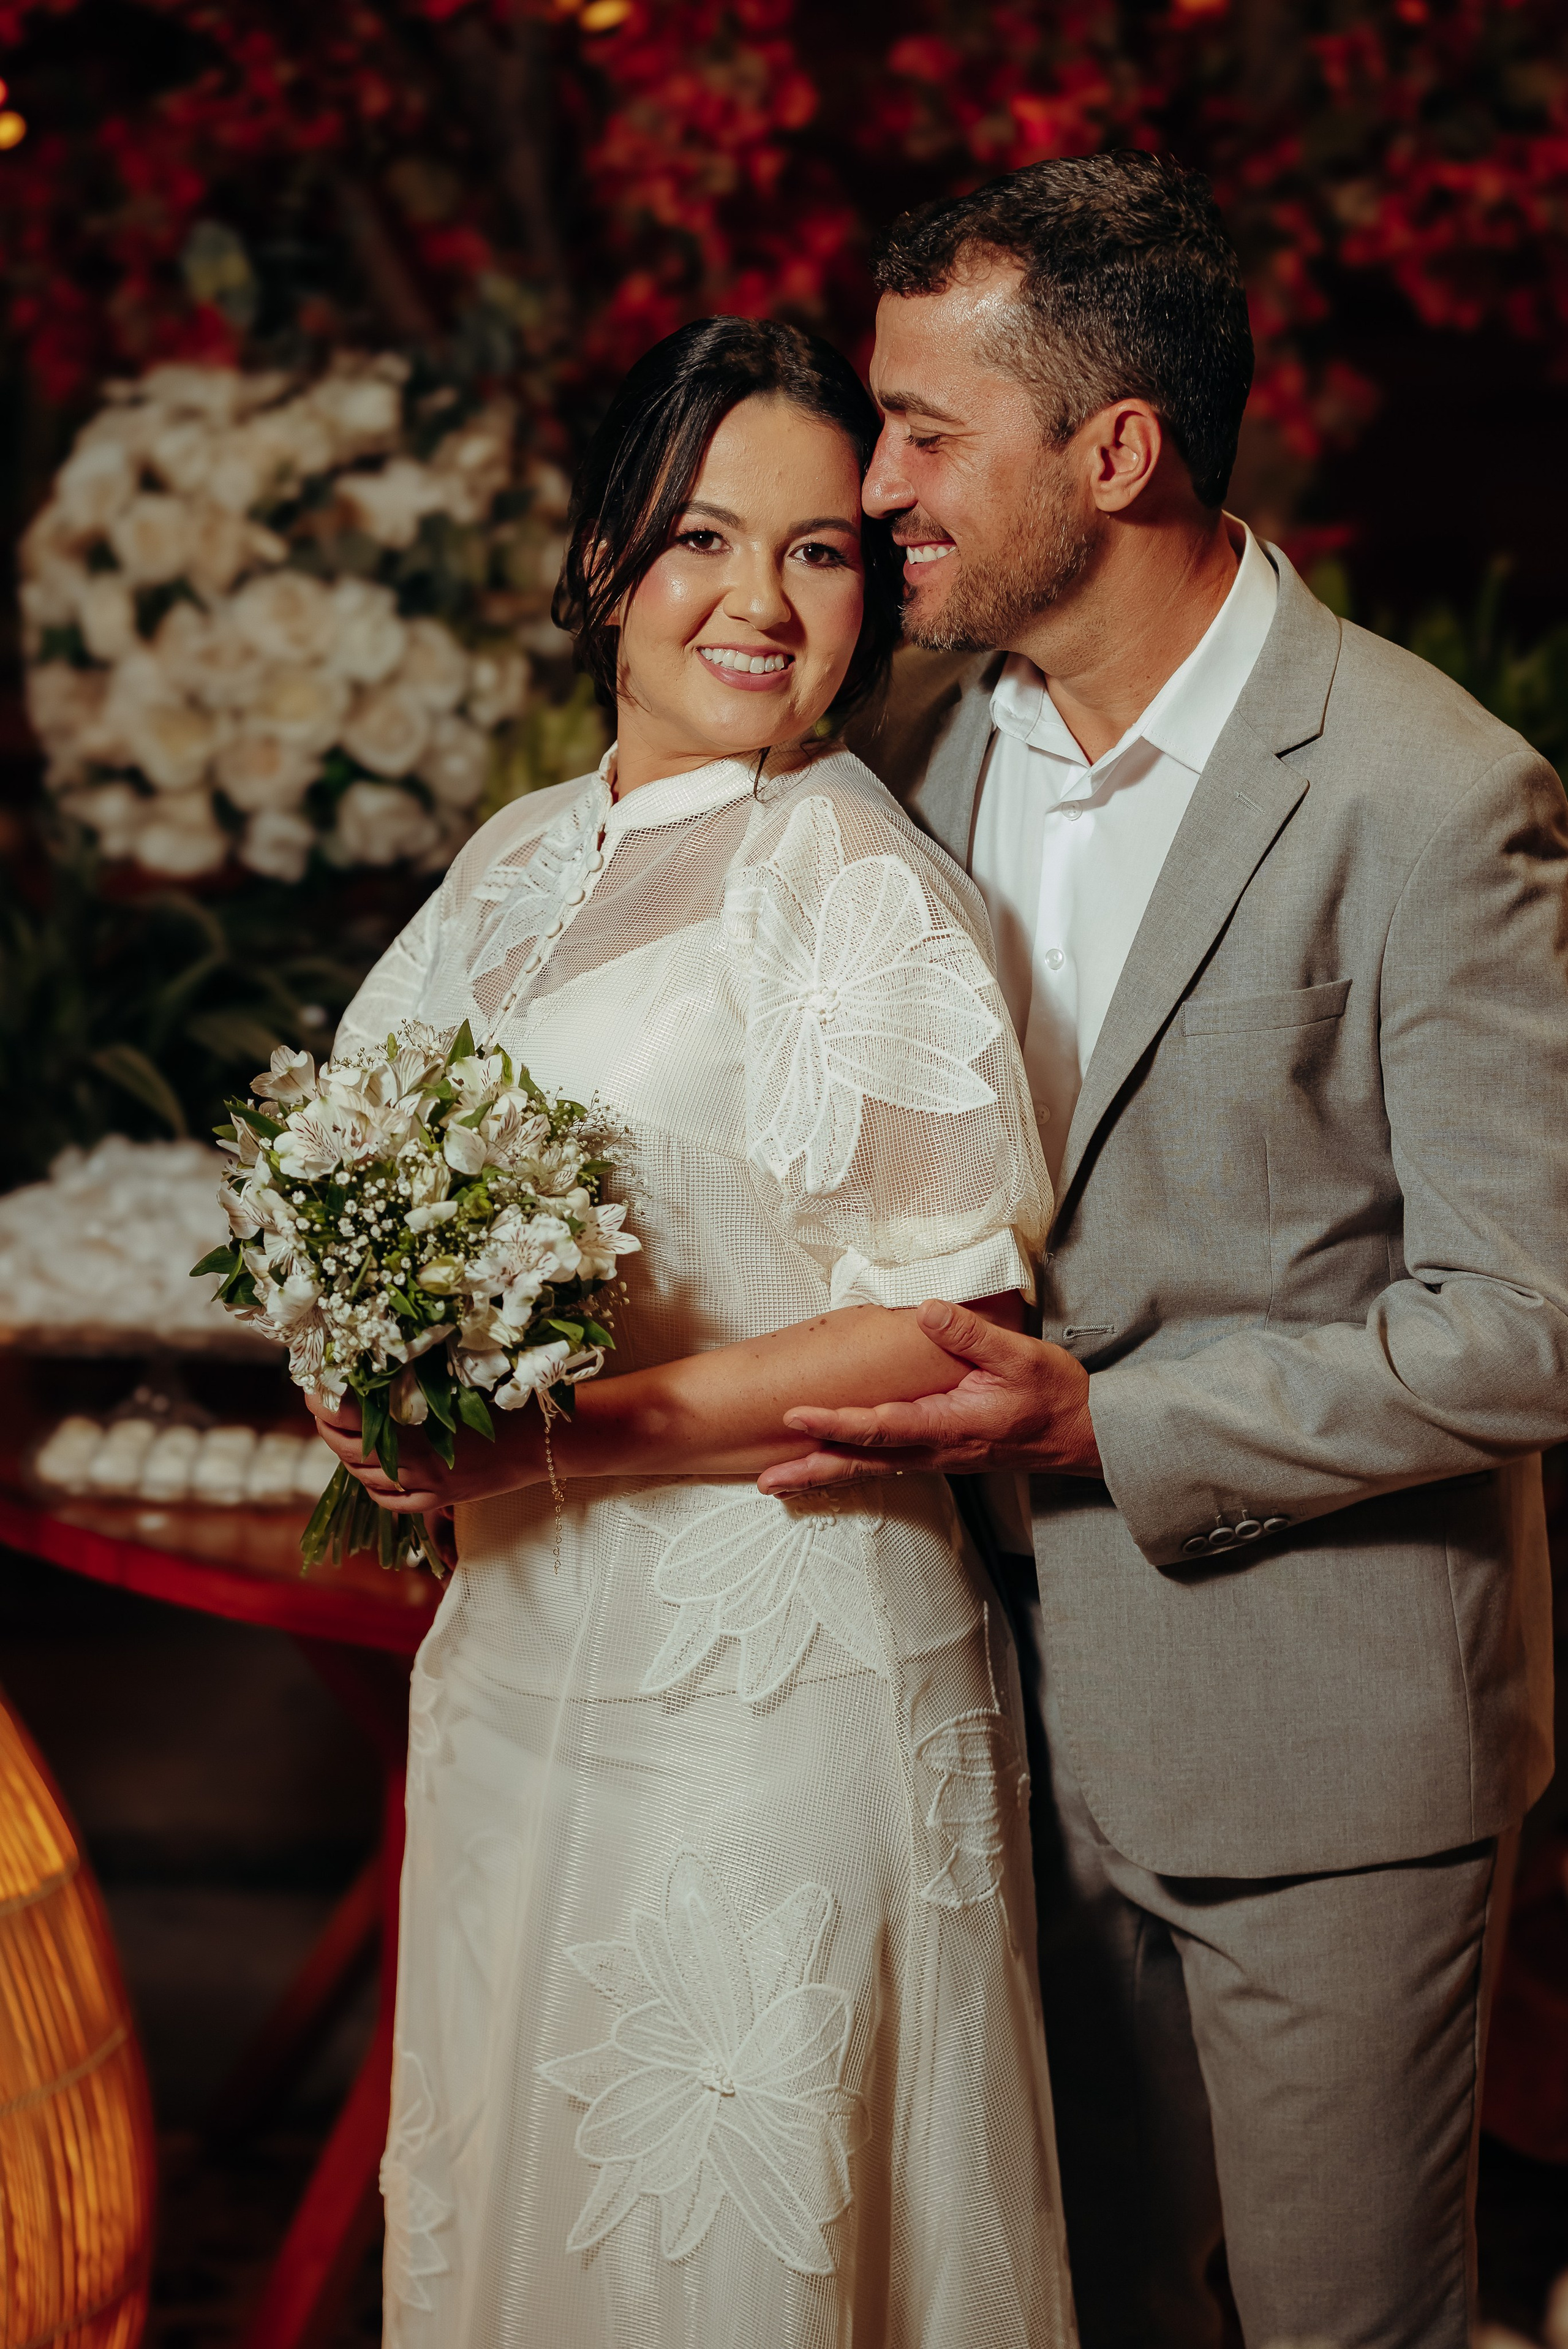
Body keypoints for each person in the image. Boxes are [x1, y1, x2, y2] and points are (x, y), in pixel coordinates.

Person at [756, 152, 1568, 2349]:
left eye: (926, 429)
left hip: (1322, 1746)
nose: (877, 478)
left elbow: (1531, 1322)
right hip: (976, 1734)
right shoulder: (908, 762)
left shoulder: (1430, 792)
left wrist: (1113, 1423)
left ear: (1113, 451)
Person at [313, 317, 1078, 2348]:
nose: (760, 600)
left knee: (726, 2255)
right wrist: (367, 1383)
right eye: (704, 540)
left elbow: (948, 1327)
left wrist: (554, 1438)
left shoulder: (853, 883)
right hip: (530, 1651)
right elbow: (359, 1182)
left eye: (823, 552)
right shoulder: (520, 863)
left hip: (774, 1672)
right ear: (602, 563)